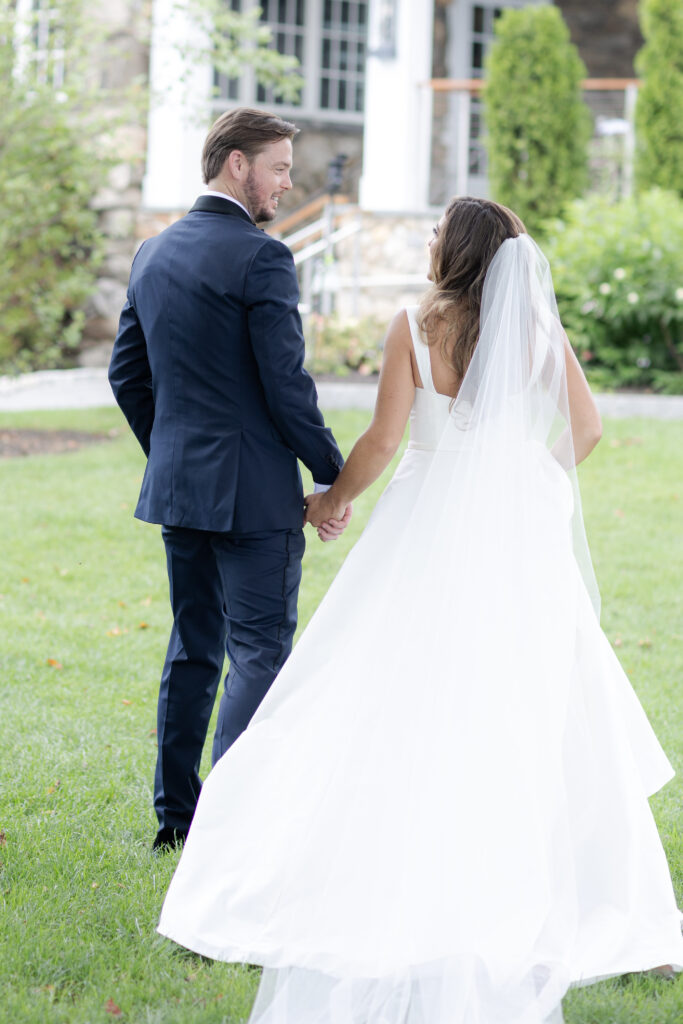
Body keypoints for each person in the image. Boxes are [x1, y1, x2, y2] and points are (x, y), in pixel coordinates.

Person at [157, 197, 683, 1023]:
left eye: (436, 229)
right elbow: (585, 430)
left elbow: (381, 442)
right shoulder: (533, 331)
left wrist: (330, 498)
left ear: (456, 251)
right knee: (543, 704)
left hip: (420, 529)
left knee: (377, 689)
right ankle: (616, 908)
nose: (427, 237)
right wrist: (519, 481)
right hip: (511, 545)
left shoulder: (414, 325)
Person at [108, 108, 349, 854]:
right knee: (257, 651)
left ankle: (177, 821)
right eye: (278, 167)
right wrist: (332, 476)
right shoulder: (262, 257)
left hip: (182, 489)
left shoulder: (151, 253)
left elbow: (127, 376)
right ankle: (231, 833)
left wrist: (175, 449)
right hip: (252, 497)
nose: (286, 182)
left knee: (192, 649)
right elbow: (286, 386)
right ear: (237, 165)